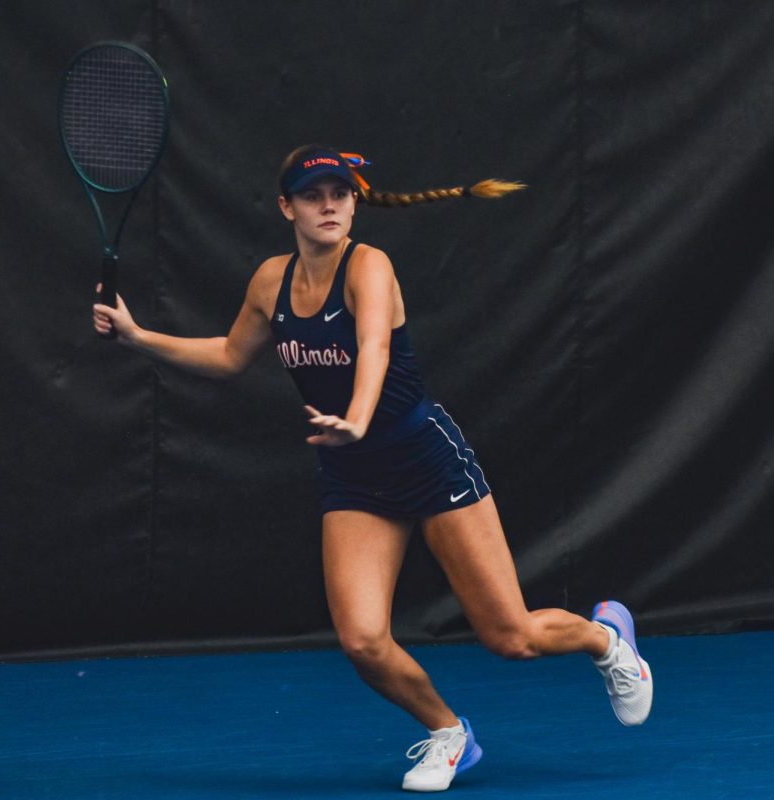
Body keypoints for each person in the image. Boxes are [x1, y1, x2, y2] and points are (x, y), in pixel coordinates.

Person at [92, 145, 653, 792]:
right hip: (355, 477)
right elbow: (226, 355)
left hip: (426, 460)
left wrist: (357, 419)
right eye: (313, 195)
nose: (329, 205)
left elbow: (375, 349)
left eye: (341, 193)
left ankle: (608, 642)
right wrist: (138, 337)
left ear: (355, 202)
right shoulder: (269, 283)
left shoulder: (370, 267)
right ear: (287, 207)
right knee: (362, 641)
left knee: (512, 638)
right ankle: (450, 733)